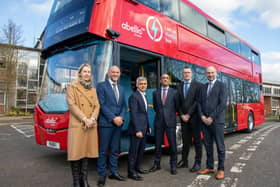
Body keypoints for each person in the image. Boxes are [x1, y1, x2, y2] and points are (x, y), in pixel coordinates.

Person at [66, 63, 100, 187]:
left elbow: (97, 106)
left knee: (86, 153)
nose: (87, 74)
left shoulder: (93, 90)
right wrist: (85, 119)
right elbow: (71, 105)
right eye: (84, 71)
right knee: (76, 154)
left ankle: (83, 180)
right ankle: (76, 182)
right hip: (78, 124)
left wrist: (92, 119)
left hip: (90, 125)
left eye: (89, 72)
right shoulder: (72, 87)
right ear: (80, 73)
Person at [96, 66, 127, 186]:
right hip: (106, 123)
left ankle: (114, 172)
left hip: (118, 124)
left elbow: (124, 106)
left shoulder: (121, 88)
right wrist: (113, 118)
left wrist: (121, 118)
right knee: (103, 151)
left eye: (117, 72)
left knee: (115, 150)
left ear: (120, 74)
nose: (115, 74)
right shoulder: (101, 86)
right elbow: (102, 105)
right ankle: (102, 175)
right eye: (113, 72)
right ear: (109, 73)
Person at [197, 66, 227, 180]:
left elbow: (222, 103)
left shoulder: (222, 85)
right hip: (204, 121)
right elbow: (199, 103)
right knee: (208, 145)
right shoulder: (203, 87)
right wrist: (202, 116)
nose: (210, 75)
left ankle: (221, 169)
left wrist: (211, 117)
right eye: (208, 73)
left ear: (216, 73)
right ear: (206, 74)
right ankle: (209, 167)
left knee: (220, 146)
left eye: (212, 73)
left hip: (217, 121)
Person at [149, 74, 178, 175]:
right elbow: (156, 108)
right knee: (157, 144)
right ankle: (157, 164)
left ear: (169, 81)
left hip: (170, 121)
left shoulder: (175, 92)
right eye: (163, 78)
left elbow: (176, 107)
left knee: (173, 145)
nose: (165, 80)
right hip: (159, 121)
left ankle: (173, 166)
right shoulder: (155, 93)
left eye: (167, 78)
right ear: (160, 80)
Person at [177, 66, 203, 172]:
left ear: (191, 74)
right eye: (184, 72)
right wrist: (182, 114)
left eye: (188, 72)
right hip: (184, 119)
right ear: (182, 74)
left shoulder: (198, 85)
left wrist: (188, 114)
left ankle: (197, 163)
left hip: (195, 119)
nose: (186, 74)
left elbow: (197, 102)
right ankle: (184, 161)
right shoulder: (179, 86)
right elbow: (177, 102)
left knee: (197, 142)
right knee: (185, 141)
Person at [127, 76, 150, 181]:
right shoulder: (134, 96)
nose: (143, 85)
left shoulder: (144, 96)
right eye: (141, 84)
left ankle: (137, 168)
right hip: (137, 130)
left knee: (141, 150)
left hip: (144, 128)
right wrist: (137, 130)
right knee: (134, 151)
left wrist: (148, 126)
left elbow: (144, 114)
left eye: (145, 84)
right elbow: (134, 114)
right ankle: (131, 172)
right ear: (137, 85)